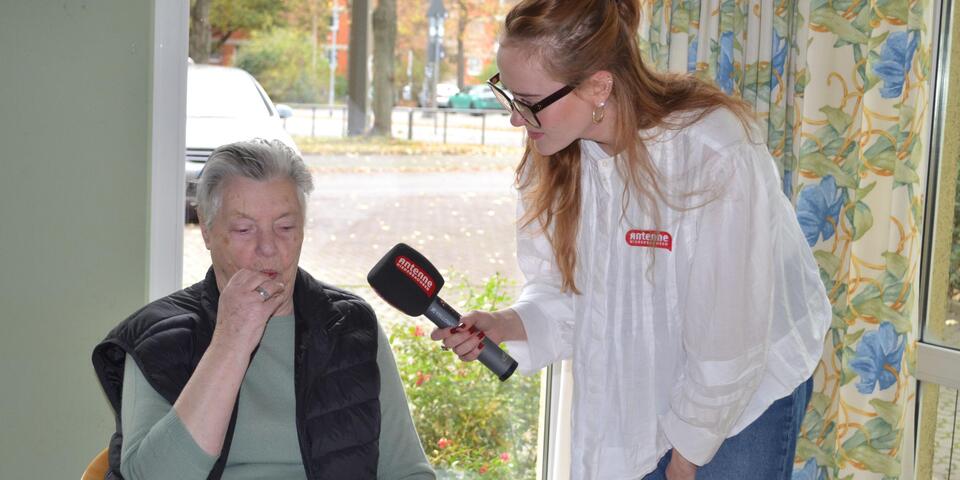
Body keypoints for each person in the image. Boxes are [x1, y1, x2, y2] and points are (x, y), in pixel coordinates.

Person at [430, 1, 832, 479]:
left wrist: (686, 456)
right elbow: (567, 294)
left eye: (529, 101)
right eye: (508, 95)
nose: (516, 119)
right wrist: (507, 323)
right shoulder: (555, 150)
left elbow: (731, 333)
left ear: (599, 86)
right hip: (650, 383)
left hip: (742, 394)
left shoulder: (712, 151)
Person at [93, 139, 435, 480]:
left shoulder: (350, 327)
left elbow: (408, 472)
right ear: (207, 231)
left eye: (285, 227)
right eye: (244, 229)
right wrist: (231, 341)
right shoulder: (157, 337)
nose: (268, 247)